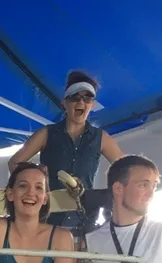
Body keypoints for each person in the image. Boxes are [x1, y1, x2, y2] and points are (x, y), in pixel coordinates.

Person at [8, 70, 124, 221]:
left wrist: (108, 195)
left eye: (87, 98)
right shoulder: (46, 134)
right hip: (47, 218)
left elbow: (126, 170)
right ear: (65, 103)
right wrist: (35, 179)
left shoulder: (101, 138)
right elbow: (14, 163)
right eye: (75, 97)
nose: (81, 102)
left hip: (84, 219)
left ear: (92, 105)